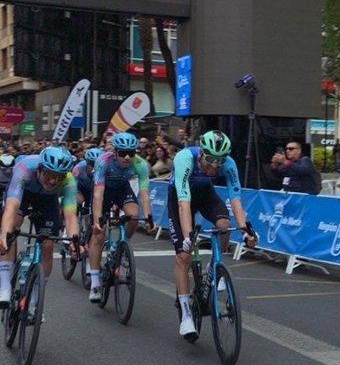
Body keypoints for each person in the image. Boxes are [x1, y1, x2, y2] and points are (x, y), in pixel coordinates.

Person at [168, 130, 257, 339]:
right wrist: (189, 236)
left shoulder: (229, 164)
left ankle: (214, 269)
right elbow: (183, 202)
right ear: (201, 153)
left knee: (224, 224)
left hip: (205, 193)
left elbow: (235, 200)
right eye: (210, 160)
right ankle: (186, 315)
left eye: (220, 161)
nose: (215, 166)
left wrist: (245, 230)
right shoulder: (184, 159)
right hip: (180, 198)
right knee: (183, 255)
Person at [0, 144, 80, 304]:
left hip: (47, 200)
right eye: (49, 174)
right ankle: (4, 286)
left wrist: (74, 240)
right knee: (11, 230)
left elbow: (70, 215)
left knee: (48, 245)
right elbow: (12, 206)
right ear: (40, 169)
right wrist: (4, 233)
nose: (53, 181)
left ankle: (36, 296)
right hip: (24, 193)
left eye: (59, 176)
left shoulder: (69, 180)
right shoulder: (25, 168)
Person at [88, 132, 155, 303]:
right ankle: (95, 281)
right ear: (115, 152)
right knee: (98, 234)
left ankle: (121, 245)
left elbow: (145, 194)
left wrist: (149, 217)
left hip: (122, 190)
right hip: (103, 192)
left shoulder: (140, 164)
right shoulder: (103, 161)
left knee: (134, 216)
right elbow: (97, 195)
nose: (127, 157)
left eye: (131, 153)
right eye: (123, 153)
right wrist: (97, 221)